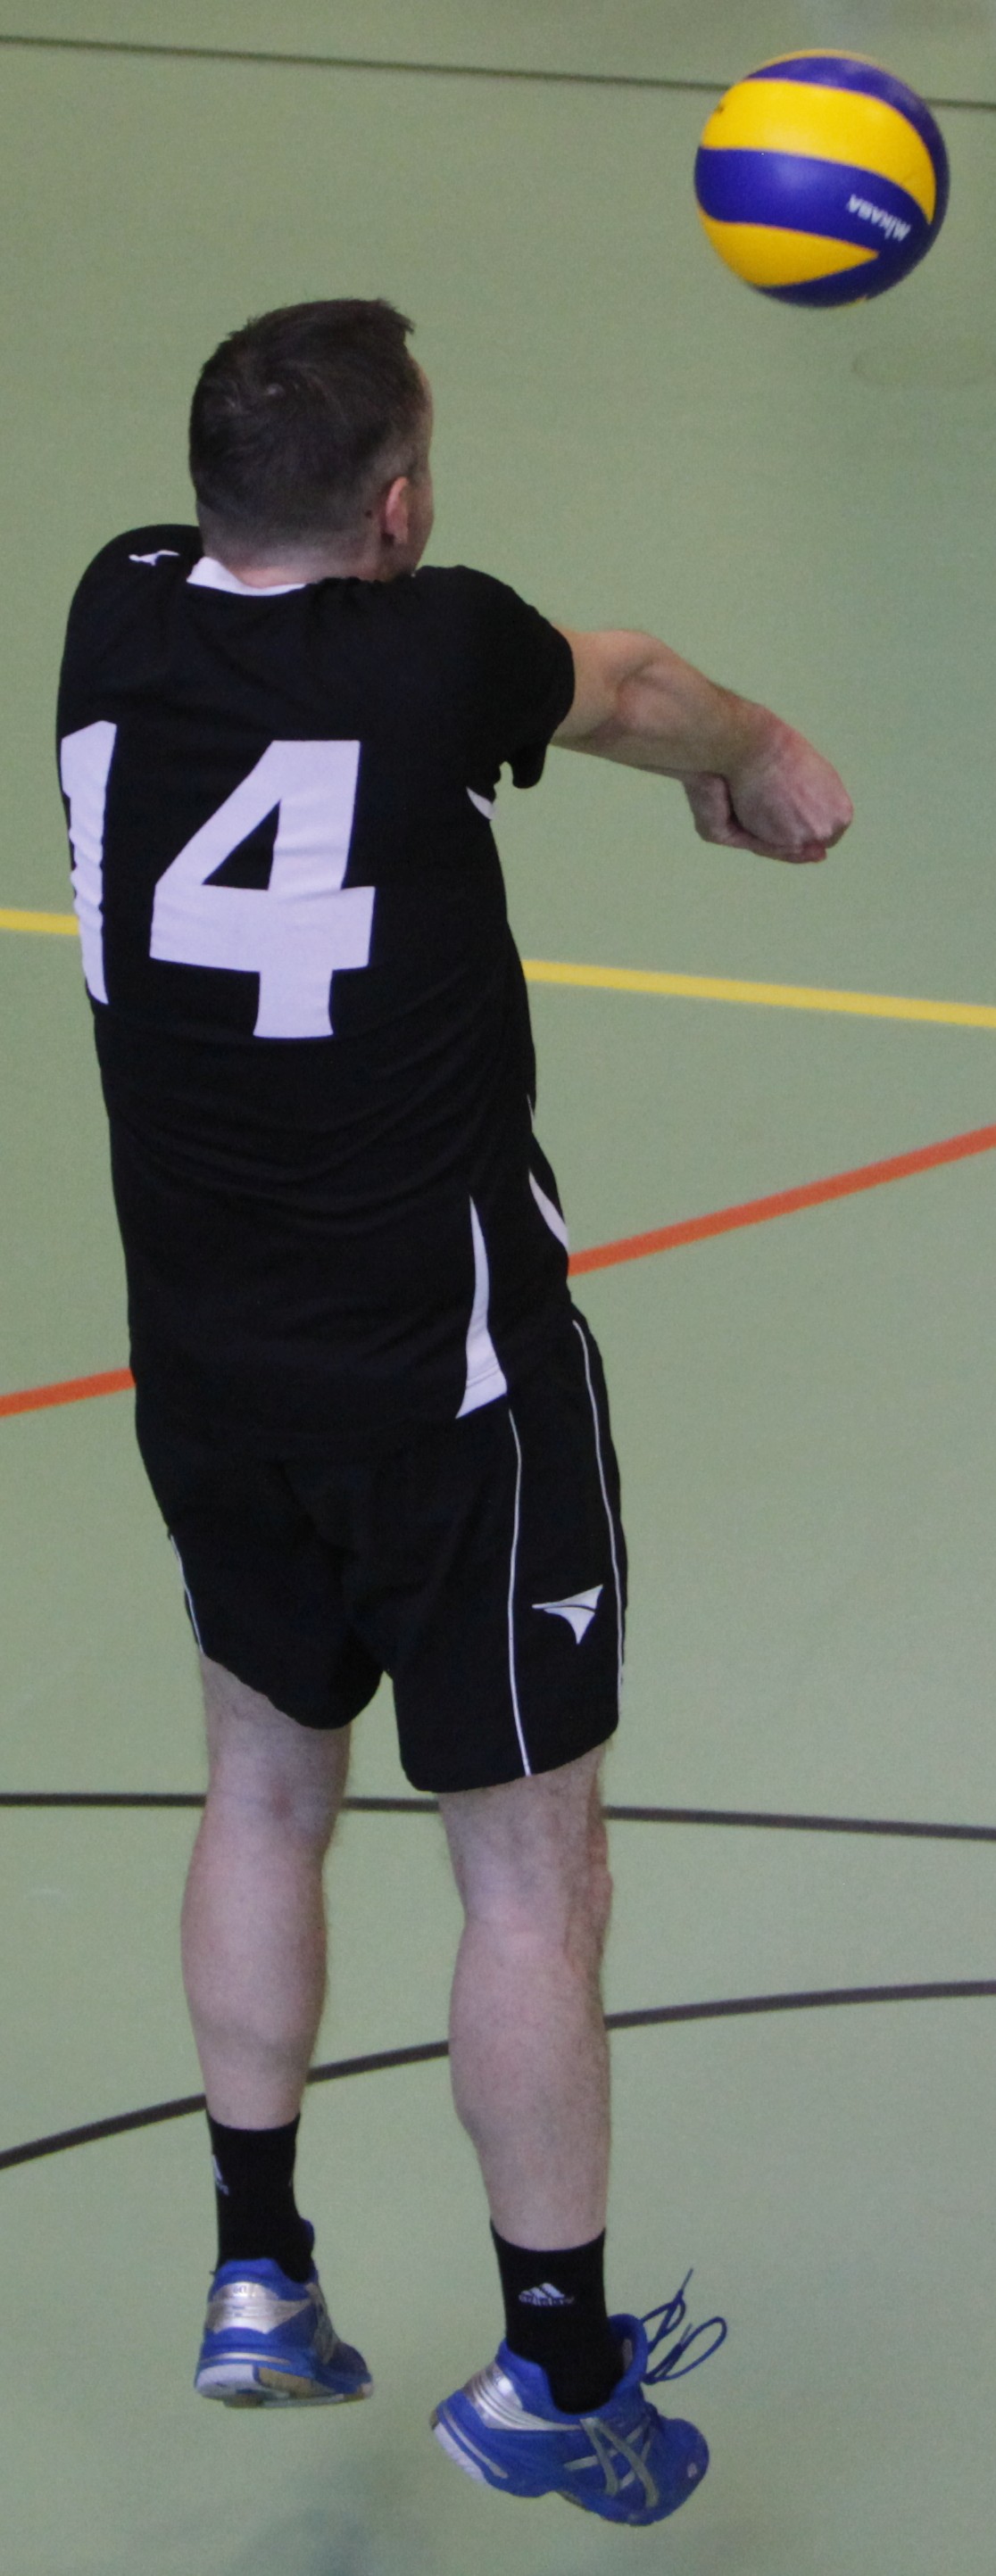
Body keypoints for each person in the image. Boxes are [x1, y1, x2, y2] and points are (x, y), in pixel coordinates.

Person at [56, 297, 851, 2526]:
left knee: (259, 1785)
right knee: (531, 1872)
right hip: (451, 1381)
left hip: (208, 1373)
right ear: (398, 507)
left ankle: (256, 2268)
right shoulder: (437, 656)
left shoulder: (114, 613)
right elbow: (633, 681)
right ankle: (558, 2371)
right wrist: (763, 754)